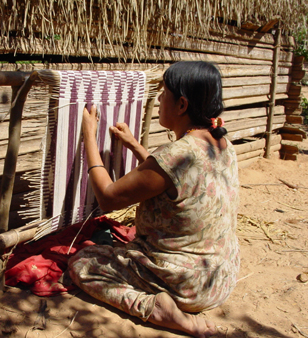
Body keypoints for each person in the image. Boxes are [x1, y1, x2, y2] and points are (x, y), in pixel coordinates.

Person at [68, 61, 240, 338]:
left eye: (164, 93)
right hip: (219, 277)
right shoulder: (221, 143)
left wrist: (89, 134)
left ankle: (155, 308)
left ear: (182, 104)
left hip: (185, 285)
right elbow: (173, 179)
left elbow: (108, 198)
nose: (159, 99)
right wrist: (135, 145)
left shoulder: (175, 155)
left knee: (82, 262)